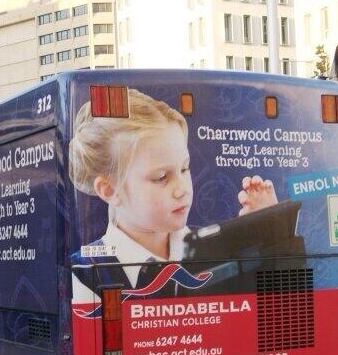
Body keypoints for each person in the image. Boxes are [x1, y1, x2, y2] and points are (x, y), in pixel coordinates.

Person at [68, 87, 278, 300]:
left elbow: (263, 307)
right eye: (161, 177)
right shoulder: (86, 272)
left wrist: (268, 234)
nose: (182, 189)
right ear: (110, 190)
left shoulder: (213, 247)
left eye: (184, 169)